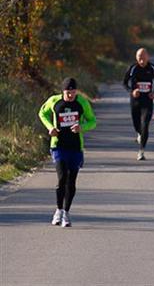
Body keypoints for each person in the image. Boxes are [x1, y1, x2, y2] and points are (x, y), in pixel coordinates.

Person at [38, 77, 96, 227]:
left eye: (73, 92)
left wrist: (81, 127)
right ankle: (58, 210)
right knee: (62, 178)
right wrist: (50, 127)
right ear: (62, 91)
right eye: (68, 92)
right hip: (59, 146)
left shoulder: (82, 102)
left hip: (76, 147)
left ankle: (66, 213)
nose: (70, 95)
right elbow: (42, 113)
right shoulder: (54, 101)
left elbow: (93, 121)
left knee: (71, 181)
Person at [123, 47, 154, 160]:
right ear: (136, 58)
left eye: (144, 58)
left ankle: (141, 151)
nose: (142, 60)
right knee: (136, 124)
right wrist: (132, 91)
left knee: (145, 124)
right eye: (140, 58)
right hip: (135, 101)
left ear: (148, 57)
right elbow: (124, 83)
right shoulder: (133, 68)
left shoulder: (153, 68)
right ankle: (139, 133)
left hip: (147, 101)